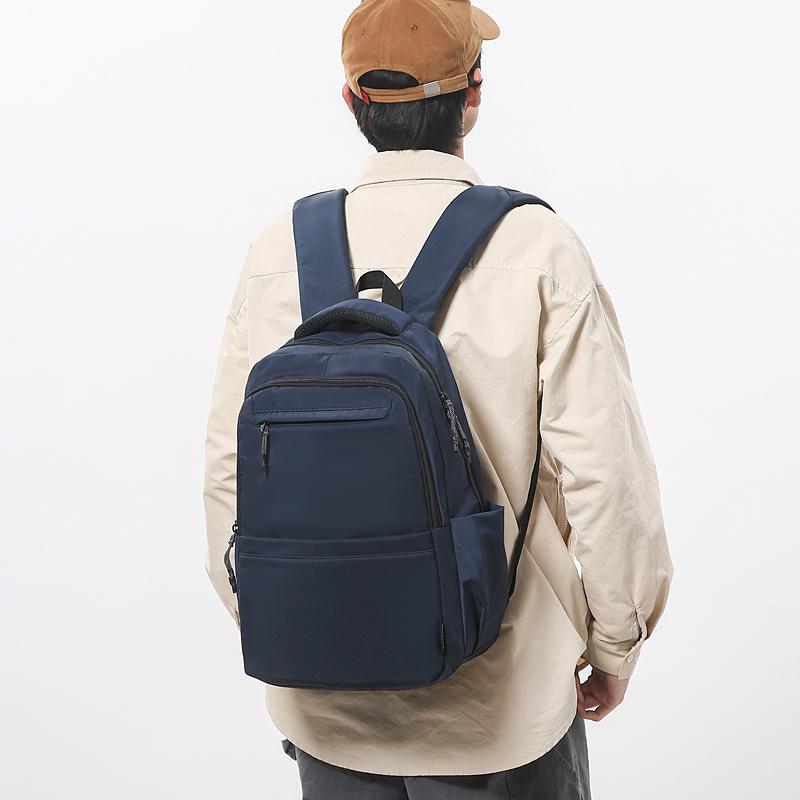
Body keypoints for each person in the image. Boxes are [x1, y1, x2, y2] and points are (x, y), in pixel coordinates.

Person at [203, 1, 673, 797]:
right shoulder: (537, 248)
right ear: (474, 92)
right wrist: (615, 643)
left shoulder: (277, 252)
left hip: (327, 716)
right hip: (502, 710)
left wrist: (293, 624)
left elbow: (229, 475)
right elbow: (605, 474)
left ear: (351, 100)